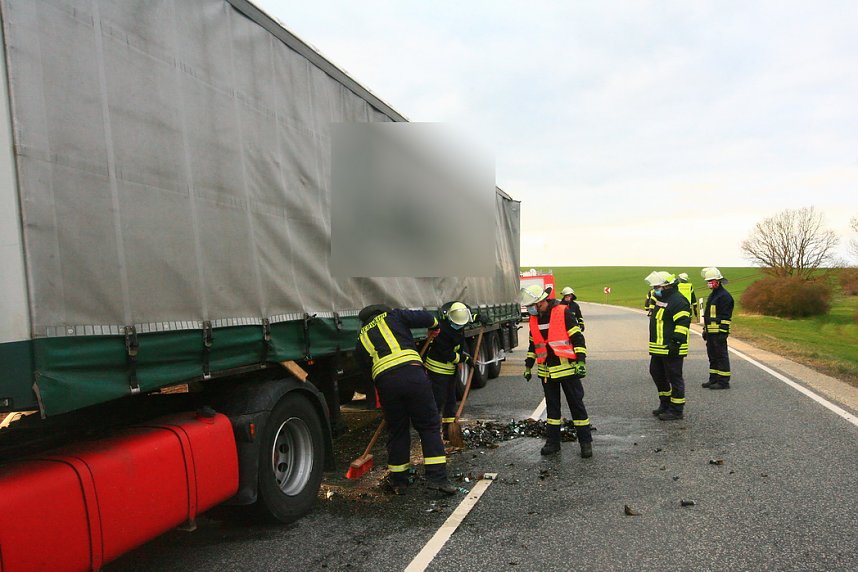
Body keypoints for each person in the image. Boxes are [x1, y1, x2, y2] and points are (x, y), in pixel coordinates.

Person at [355, 304, 456, 495]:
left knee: (398, 430)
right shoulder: (394, 315)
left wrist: (388, 389)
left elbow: (365, 370)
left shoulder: (361, 338)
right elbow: (427, 317)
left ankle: (399, 481)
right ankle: (437, 479)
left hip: (386, 384)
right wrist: (434, 327)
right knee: (428, 426)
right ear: (381, 311)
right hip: (412, 375)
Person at [520, 285, 593, 458]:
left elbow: (577, 338)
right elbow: (534, 344)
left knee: (577, 406)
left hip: (567, 370)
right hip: (547, 372)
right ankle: (553, 443)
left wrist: (581, 361)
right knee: (552, 411)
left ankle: (585, 443)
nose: (530, 309)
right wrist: (528, 366)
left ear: (541, 302)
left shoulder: (562, 312)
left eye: (532, 305)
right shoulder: (534, 319)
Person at [645, 271, 691, 421]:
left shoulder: (678, 301)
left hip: (672, 347)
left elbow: (682, 324)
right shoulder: (662, 299)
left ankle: (677, 410)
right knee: (656, 373)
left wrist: (676, 342)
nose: (655, 290)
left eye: (657, 287)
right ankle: (665, 404)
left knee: (674, 377)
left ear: (667, 286)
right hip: (659, 347)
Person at [425, 301, 473, 439]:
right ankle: (432, 433)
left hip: (450, 371)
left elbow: (457, 347)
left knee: (451, 401)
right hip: (437, 371)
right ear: (450, 318)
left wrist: (478, 318)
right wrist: (464, 359)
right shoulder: (442, 331)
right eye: (457, 323)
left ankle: (448, 431)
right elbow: (447, 353)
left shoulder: (459, 323)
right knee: (437, 402)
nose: (459, 326)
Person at [700, 267, 735, 390]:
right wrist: (705, 330)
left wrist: (723, 333)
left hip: (719, 333)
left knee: (721, 356)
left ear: (718, 281)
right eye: (708, 281)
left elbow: (726, 317)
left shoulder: (724, 296)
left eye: (712, 280)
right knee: (712, 357)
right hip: (711, 333)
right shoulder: (713, 295)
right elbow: (709, 316)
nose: (710, 283)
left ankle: (724, 382)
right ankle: (713, 379)